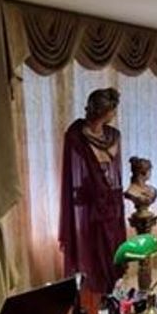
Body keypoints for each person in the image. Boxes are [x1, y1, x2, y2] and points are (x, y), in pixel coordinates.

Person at [59, 87, 126, 294]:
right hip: (89, 201)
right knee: (92, 248)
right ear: (104, 111)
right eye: (113, 109)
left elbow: (114, 172)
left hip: (111, 200)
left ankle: (111, 291)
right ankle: (95, 292)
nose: (115, 114)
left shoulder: (113, 135)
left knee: (112, 247)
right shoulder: (76, 136)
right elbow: (72, 172)